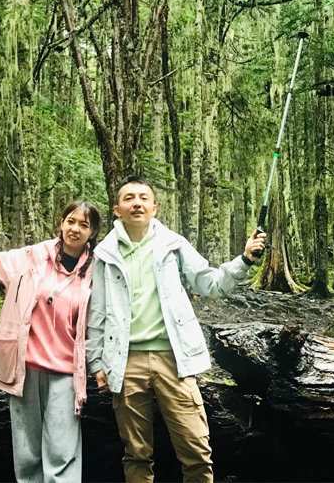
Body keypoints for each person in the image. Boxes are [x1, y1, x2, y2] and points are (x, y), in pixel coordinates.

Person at [85, 176, 266, 483]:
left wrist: (245, 260)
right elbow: (97, 313)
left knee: (196, 448)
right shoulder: (104, 254)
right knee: (136, 453)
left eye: (143, 197)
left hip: (174, 358)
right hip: (125, 362)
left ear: (154, 208)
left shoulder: (173, 244)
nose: (137, 203)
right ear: (117, 209)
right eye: (129, 198)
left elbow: (210, 282)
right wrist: (96, 362)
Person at [0, 197, 102, 483]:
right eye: (70, 221)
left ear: (92, 233)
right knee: (27, 455)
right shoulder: (33, 257)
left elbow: (104, 323)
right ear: (61, 224)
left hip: (66, 375)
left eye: (84, 224)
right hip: (25, 369)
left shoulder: (97, 272)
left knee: (62, 454)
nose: (75, 229)